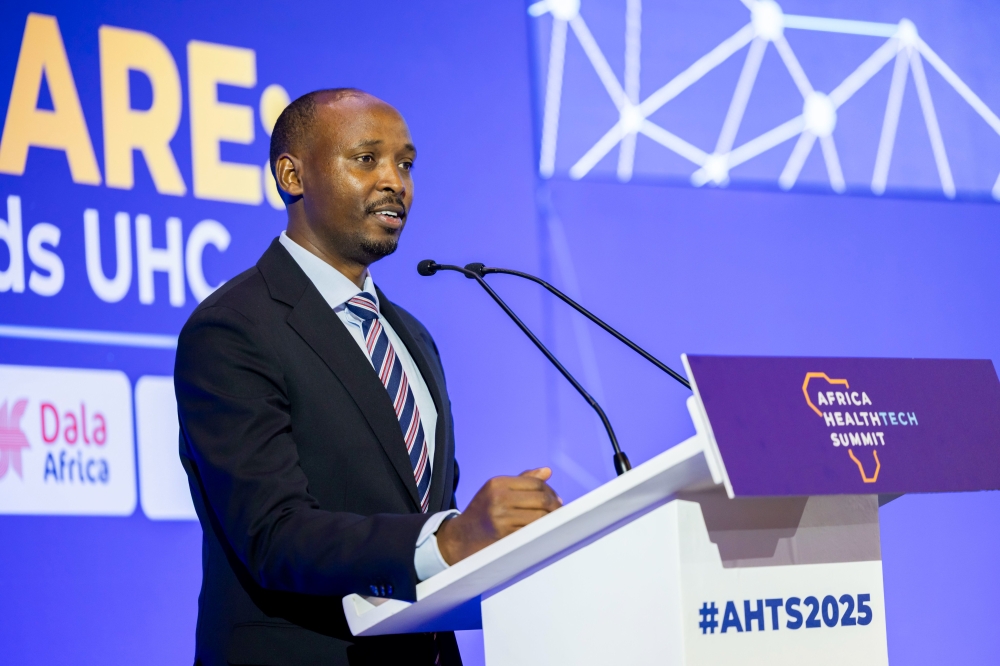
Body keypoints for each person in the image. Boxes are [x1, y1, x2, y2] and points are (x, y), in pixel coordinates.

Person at [174, 88, 562, 666]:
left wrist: (498, 542)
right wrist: (447, 540)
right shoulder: (232, 329)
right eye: (366, 159)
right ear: (291, 175)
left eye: (405, 164)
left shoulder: (411, 337)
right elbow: (273, 534)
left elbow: (425, 507)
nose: (394, 181)